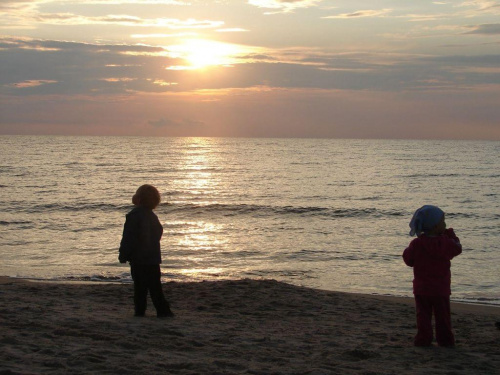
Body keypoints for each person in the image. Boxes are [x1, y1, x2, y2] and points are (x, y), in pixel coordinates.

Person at [402, 205, 462, 347]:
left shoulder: (417, 244)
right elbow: (457, 248)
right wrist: (451, 235)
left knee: (423, 316)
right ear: (435, 226)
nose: (445, 224)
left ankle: (424, 339)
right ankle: (445, 340)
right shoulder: (445, 242)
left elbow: (408, 260)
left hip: (422, 288)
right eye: (443, 222)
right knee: (443, 317)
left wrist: (408, 251)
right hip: (440, 289)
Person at [119, 184, 174, 318]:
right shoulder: (152, 216)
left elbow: (128, 237)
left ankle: (140, 312)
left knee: (140, 288)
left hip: (139, 259)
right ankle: (163, 311)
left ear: (138, 199)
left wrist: (123, 254)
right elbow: (158, 234)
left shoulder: (134, 215)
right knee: (155, 287)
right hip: (153, 258)